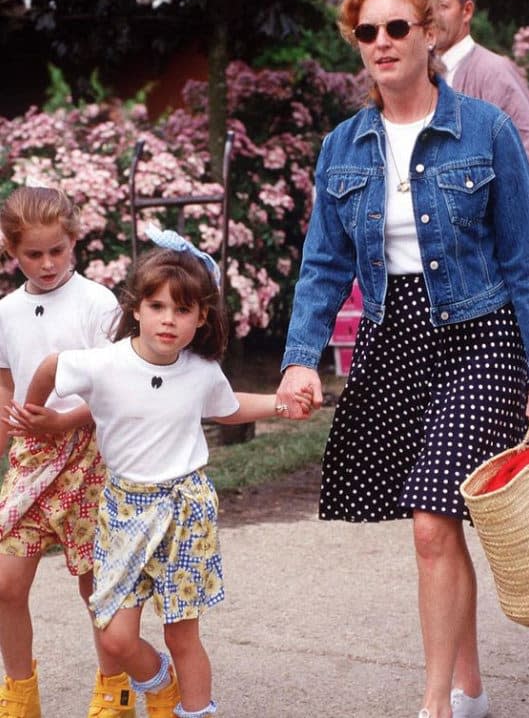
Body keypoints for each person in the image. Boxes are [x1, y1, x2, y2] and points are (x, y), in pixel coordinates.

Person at [276, 0, 529, 717]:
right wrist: (297, 359)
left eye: (396, 28)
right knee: (438, 520)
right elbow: (322, 266)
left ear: (428, 35)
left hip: (478, 334)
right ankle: (471, 689)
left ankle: (433, 705)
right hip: (395, 340)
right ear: (356, 46)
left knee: (429, 517)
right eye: (366, 32)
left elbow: (520, 258)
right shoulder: (342, 147)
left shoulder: (483, 128)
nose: (381, 43)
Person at [18, 226, 312, 718]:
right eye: (157, 307)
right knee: (114, 636)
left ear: (201, 317)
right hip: (123, 511)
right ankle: (158, 681)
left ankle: (196, 711)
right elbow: (50, 365)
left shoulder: (200, 370)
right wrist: (36, 413)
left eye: (182, 310)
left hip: (185, 509)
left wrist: (282, 404)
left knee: (182, 631)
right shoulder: (105, 364)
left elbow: (229, 405)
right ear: (136, 308)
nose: (168, 320)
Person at [0, 185, 135, 718]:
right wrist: (9, 422)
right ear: (12, 251)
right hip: (29, 460)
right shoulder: (6, 310)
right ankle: (18, 693)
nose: (48, 263)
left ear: (74, 241)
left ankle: (114, 689)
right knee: (6, 585)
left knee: (95, 587)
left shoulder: (97, 302)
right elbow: (6, 380)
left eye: (57, 250)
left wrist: (63, 419)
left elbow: (116, 385)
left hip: (88, 457)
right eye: (33, 253)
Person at [428, 0, 529, 156]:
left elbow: (524, 147)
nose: (432, 17)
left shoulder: (494, 72)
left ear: (466, 11)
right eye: (426, 8)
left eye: (442, 6)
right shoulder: (419, 73)